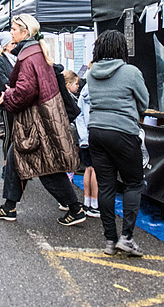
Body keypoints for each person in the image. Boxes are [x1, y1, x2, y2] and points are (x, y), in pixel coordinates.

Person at [0, 14, 85, 226]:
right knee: (15, 159)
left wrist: (8, 96)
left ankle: (75, 209)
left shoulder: (29, 57)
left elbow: (26, 91)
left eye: (14, 29)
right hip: (43, 119)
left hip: (37, 122)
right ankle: (9, 207)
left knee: (46, 169)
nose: (11, 32)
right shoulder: (36, 53)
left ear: (25, 32)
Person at [87, 30, 149, 256]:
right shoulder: (131, 72)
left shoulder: (92, 72)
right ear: (121, 49)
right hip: (123, 131)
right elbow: (144, 102)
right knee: (133, 183)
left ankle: (110, 241)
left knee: (106, 186)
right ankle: (127, 238)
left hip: (96, 131)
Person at [72, 74, 100, 218]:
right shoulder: (99, 90)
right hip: (95, 135)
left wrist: (82, 135)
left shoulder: (84, 91)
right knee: (95, 169)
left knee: (88, 168)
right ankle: (95, 205)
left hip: (84, 135)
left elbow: (79, 114)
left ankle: (87, 201)